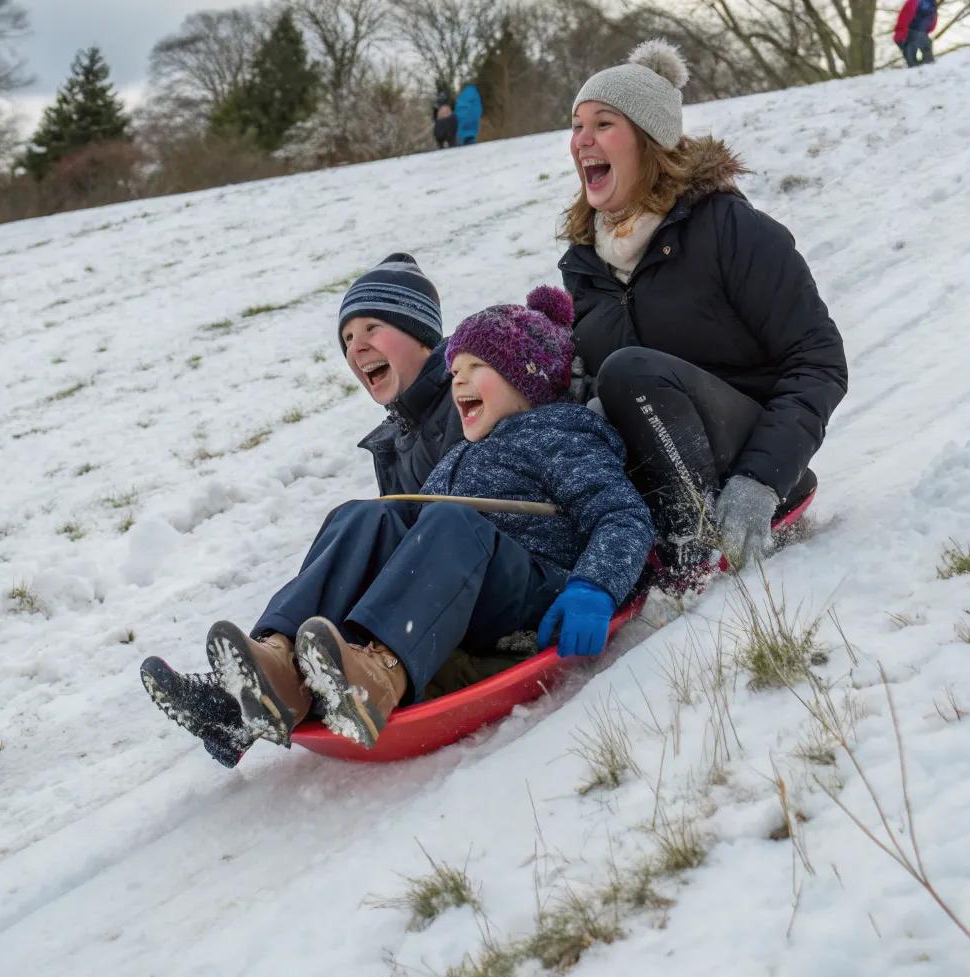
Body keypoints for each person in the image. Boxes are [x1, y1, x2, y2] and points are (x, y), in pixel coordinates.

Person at [141, 288, 654, 762]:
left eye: (478, 366)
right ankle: (269, 671)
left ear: (526, 377)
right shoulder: (465, 455)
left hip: (536, 599)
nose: (459, 380)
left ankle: (379, 674)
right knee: (364, 516)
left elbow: (622, 515)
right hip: (460, 595)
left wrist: (594, 587)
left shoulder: (566, 435)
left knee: (451, 521)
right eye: (455, 371)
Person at [141, 253, 462, 766]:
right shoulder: (394, 439)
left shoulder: (471, 393)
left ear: (421, 332)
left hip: (473, 583)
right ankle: (264, 672)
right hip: (429, 591)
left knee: (383, 519)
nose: (356, 347)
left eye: (372, 327)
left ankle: (271, 688)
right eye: (346, 340)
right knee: (356, 518)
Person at [558, 38, 847, 584]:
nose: (582, 141)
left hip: (744, 453)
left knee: (631, 371)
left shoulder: (730, 229)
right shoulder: (584, 264)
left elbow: (819, 361)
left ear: (650, 140)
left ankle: (694, 545)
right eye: (576, 125)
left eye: (602, 124)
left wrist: (762, 477)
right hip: (651, 459)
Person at [894, 0, 938, 67]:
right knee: (928, 62)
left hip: (912, 33)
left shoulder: (914, 0)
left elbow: (905, 16)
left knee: (912, 61)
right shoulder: (932, 3)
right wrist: (927, 30)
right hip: (924, 34)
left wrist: (900, 30)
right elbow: (934, 20)